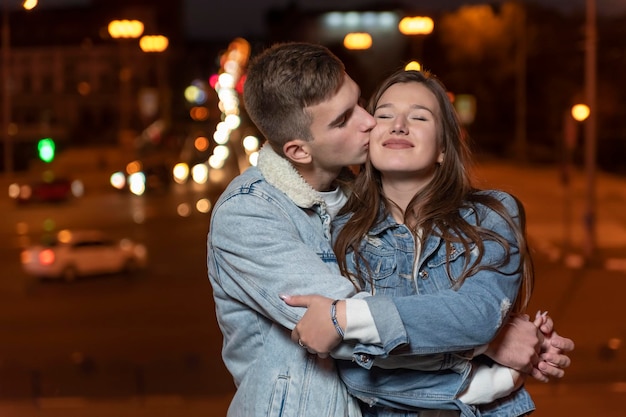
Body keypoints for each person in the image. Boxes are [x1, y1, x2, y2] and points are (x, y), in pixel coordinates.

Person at [207, 42, 572, 417]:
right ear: (299, 151)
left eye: (362, 103)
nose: (370, 122)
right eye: (345, 118)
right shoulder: (254, 215)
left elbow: (351, 321)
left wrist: (481, 325)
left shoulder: (359, 207)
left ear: (445, 145)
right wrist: (488, 348)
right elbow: (350, 342)